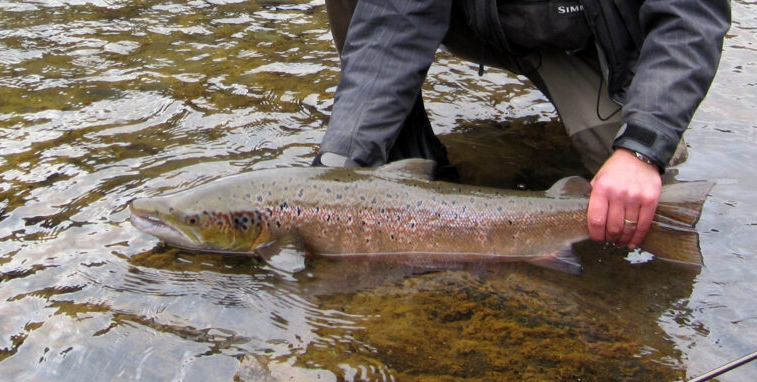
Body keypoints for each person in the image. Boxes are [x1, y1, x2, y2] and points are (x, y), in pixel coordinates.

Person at [312, 0, 730, 250]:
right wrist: (341, 165)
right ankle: (405, 166)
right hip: (483, 21)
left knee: (632, 193)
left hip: (588, 44)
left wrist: (642, 148)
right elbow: (393, 20)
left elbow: (689, 21)